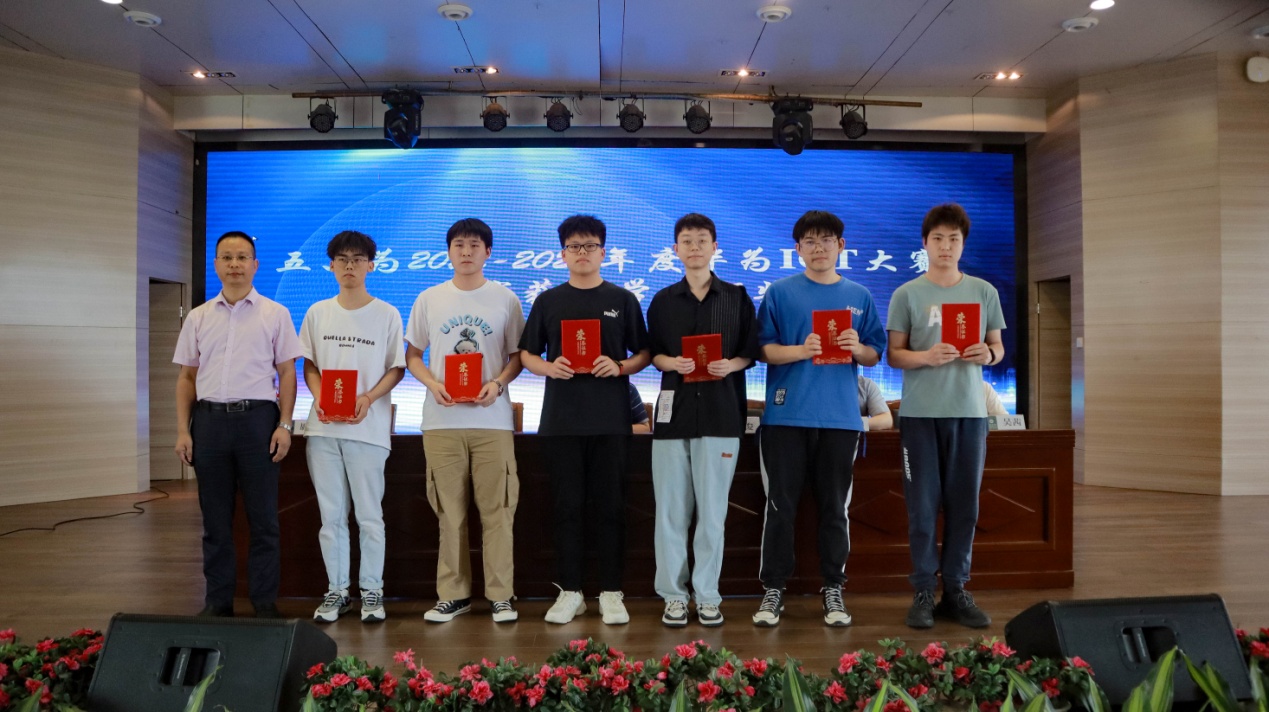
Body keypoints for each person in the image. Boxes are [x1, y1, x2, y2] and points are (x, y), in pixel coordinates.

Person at [753, 210, 886, 628]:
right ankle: (774, 588)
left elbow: (875, 353)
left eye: (826, 240)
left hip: (841, 420)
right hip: (785, 417)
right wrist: (802, 350)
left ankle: (833, 587)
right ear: (797, 249)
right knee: (780, 507)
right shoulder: (779, 292)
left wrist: (856, 347)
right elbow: (763, 350)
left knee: (834, 509)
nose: (818, 248)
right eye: (809, 241)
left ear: (840, 246)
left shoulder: (859, 295)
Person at [518, 214, 650, 625]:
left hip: (611, 421)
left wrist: (620, 366)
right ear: (562, 254)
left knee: (611, 507)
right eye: (574, 246)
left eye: (590, 246)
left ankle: (611, 592)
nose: (582, 253)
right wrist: (548, 367)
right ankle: (570, 591)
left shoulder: (622, 299)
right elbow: (527, 354)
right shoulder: (548, 300)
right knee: (566, 507)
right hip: (561, 421)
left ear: (603, 252)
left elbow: (644, 353)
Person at [886, 203, 1006, 630]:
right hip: (919, 416)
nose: (946, 246)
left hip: (969, 414)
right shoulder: (907, 294)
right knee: (921, 508)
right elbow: (893, 354)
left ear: (963, 244)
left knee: (965, 507)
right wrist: (926, 357)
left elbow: (998, 347)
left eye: (954, 239)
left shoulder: (983, 291)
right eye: (938, 238)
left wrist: (987, 354)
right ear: (925, 243)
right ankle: (923, 590)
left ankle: (956, 589)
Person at [173, 230, 302, 618]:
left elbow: (288, 373)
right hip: (208, 423)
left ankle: (263, 603)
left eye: (242, 257)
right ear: (216, 264)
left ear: (255, 265)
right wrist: (183, 430)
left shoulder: (275, 314)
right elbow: (187, 378)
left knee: (264, 521)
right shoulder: (198, 317)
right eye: (227, 257)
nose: (234, 264)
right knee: (215, 522)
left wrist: (285, 425)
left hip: (258, 423)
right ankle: (218, 602)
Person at [406, 218, 526, 623]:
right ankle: (453, 595)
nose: (467, 251)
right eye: (459, 244)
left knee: (498, 512)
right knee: (449, 513)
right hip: (441, 421)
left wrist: (498, 383)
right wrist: (432, 384)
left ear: (488, 252)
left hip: (493, 421)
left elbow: (517, 357)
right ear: (449, 251)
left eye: (475, 245)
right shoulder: (429, 298)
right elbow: (412, 355)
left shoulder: (505, 298)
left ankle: (501, 596)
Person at [646, 213, 759, 628]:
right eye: (687, 241)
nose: (694, 247)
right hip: (672, 418)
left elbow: (750, 352)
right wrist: (669, 362)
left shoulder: (737, 297)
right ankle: (674, 596)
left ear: (715, 247)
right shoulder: (662, 301)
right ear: (675, 249)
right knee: (670, 513)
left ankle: (708, 595)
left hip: (721, 416)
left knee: (712, 514)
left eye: (702, 240)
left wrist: (731, 365)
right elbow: (653, 353)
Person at [299, 231, 405, 624]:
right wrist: (320, 397)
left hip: (368, 429)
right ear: (330, 265)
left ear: (371, 265)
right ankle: (337, 591)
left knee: (369, 516)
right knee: (331, 516)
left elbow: (396, 368)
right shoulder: (317, 312)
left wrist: (368, 398)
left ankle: (372, 591)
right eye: (342, 259)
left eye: (357, 259)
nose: (349, 266)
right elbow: (310, 365)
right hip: (323, 430)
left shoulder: (387, 314)